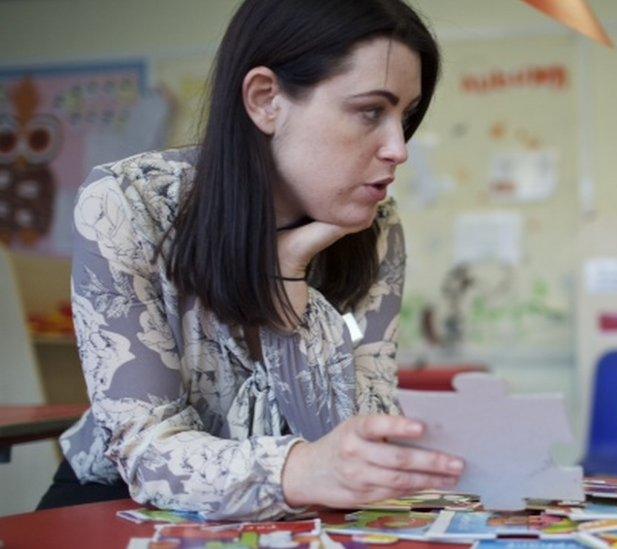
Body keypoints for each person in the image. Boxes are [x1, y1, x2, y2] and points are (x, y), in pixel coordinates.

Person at [36, 0, 465, 520]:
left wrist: (286, 276)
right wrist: (304, 469)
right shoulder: (130, 202)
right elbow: (145, 449)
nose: (398, 148)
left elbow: (357, 436)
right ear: (266, 100)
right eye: (371, 111)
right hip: (118, 502)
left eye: (406, 114)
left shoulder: (375, 226)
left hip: (299, 514)